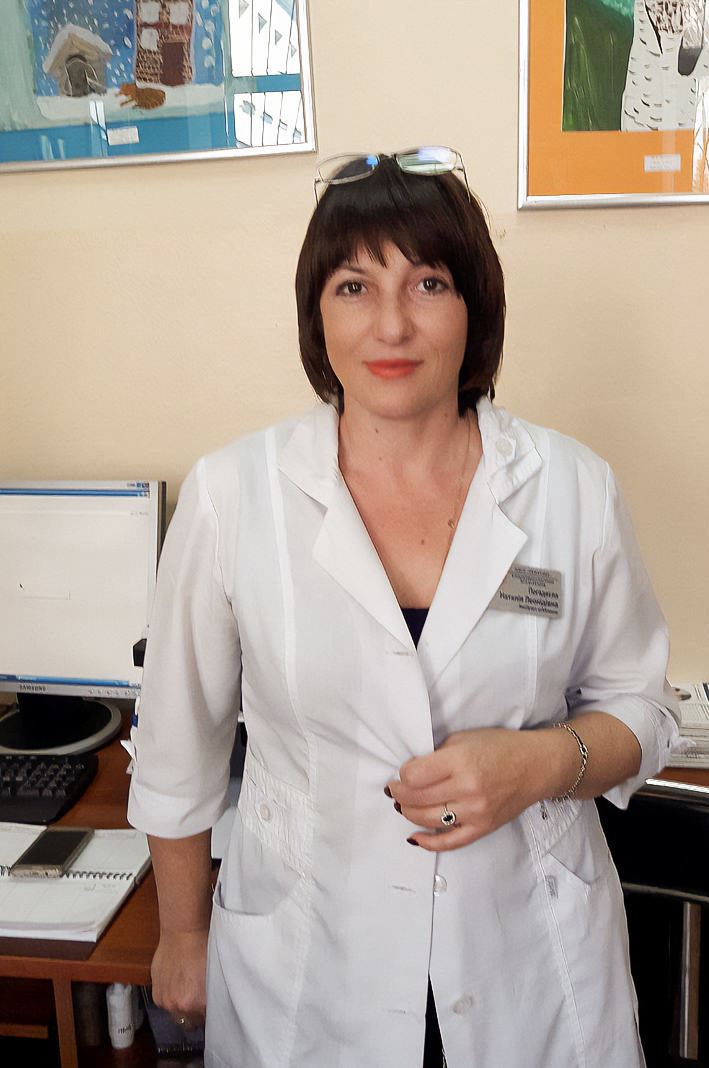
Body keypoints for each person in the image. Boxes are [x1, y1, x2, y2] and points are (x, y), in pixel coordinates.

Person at [127, 147, 680, 1068]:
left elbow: (643, 710)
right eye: (351, 286)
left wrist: (541, 763)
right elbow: (179, 743)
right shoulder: (234, 496)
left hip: (528, 964)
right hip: (308, 968)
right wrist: (182, 935)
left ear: (475, 310)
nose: (389, 324)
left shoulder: (572, 489)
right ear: (316, 313)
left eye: (427, 281)